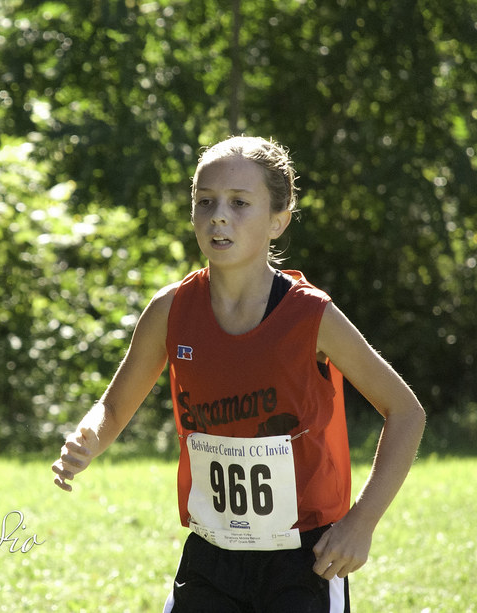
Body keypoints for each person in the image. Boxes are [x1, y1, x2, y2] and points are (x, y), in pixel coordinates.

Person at [51, 136, 426, 612]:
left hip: (305, 559)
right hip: (211, 554)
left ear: (278, 220)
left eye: (239, 203)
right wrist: (88, 437)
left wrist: (362, 522)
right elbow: (113, 406)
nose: (218, 216)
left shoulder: (310, 315)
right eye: (205, 201)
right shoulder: (170, 310)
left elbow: (406, 412)